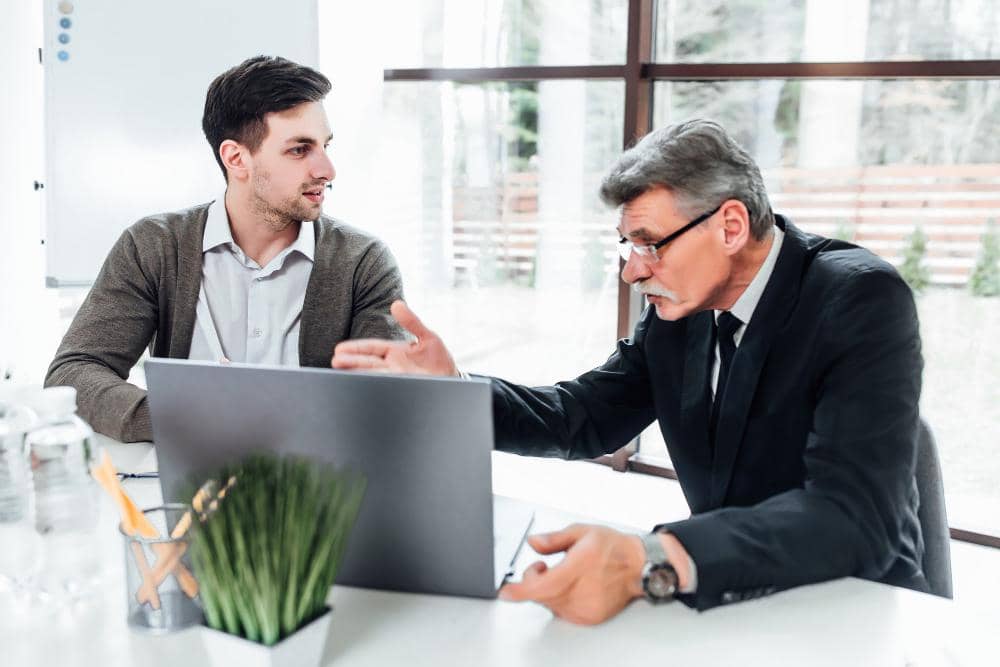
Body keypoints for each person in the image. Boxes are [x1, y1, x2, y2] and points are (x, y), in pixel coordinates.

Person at [331, 119, 926, 623]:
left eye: (650, 244)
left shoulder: (859, 298)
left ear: (731, 226)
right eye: (627, 246)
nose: (632, 272)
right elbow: (581, 416)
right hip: (730, 597)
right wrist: (453, 393)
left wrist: (652, 557)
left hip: (855, 605)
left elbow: (854, 516)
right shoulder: (680, 311)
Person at [46, 56, 406, 443]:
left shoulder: (363, 262)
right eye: (300, 150)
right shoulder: (154, 246)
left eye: (325, 146)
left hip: (315, 476)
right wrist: (175, 419)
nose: (327, 170)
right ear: (236, 159)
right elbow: (73, 373)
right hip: (188, 475)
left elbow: (382, 402)